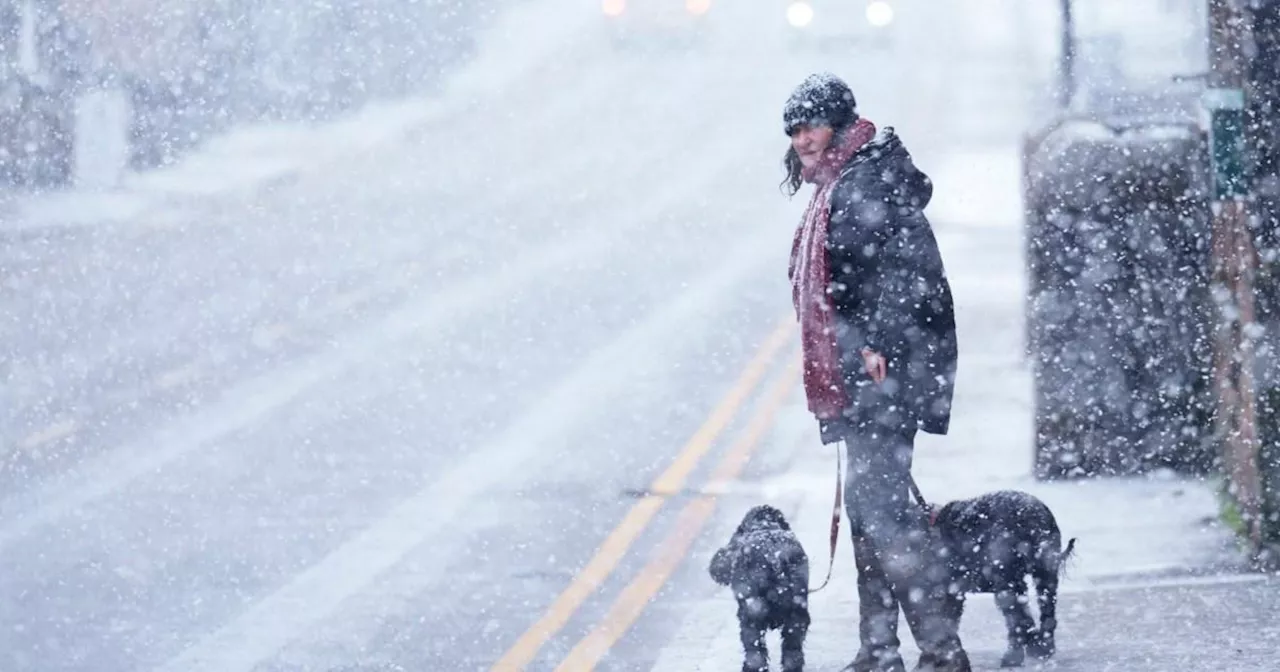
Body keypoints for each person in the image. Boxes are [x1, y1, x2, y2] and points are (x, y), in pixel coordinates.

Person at [783, 73, 969, 672]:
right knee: (870, 509)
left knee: (885, 512)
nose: (800, 139)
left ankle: (942, 651)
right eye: (792, 130)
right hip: (866, 373)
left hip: (886, 372)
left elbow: (902, 268)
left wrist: (878, 343)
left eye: (809, 125)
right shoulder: (844, 179)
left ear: (837, 123)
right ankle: (879, 648)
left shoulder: (867, 180)